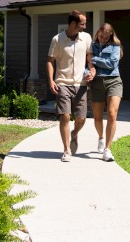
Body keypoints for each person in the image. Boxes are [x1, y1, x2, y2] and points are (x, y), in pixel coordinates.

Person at [47, 10, 92, 162]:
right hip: (63, 83)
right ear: (73, 24)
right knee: (65, 116)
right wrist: (51, 80)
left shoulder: (86, 38)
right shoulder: (57, 39)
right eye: (82, 24)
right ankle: (66, 150)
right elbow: (50, 61)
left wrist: (91, 70)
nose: (85, 26)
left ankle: (74, 133)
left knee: (81, 118)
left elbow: (89, 57)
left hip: (81, 83)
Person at [85, 23, 123, 162]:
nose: (102, 39)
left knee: (112, 114)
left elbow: (111, 64)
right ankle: (101, 137)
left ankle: (107, 149)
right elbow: (85, 65)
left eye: (106, 37)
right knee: (97, 118)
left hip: (114, 81)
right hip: (96, 83)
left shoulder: (115, 47)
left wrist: (93, 59)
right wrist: (87, 73)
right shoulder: (91, 46)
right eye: (101, 36)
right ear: (98, 33)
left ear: (110, 36)